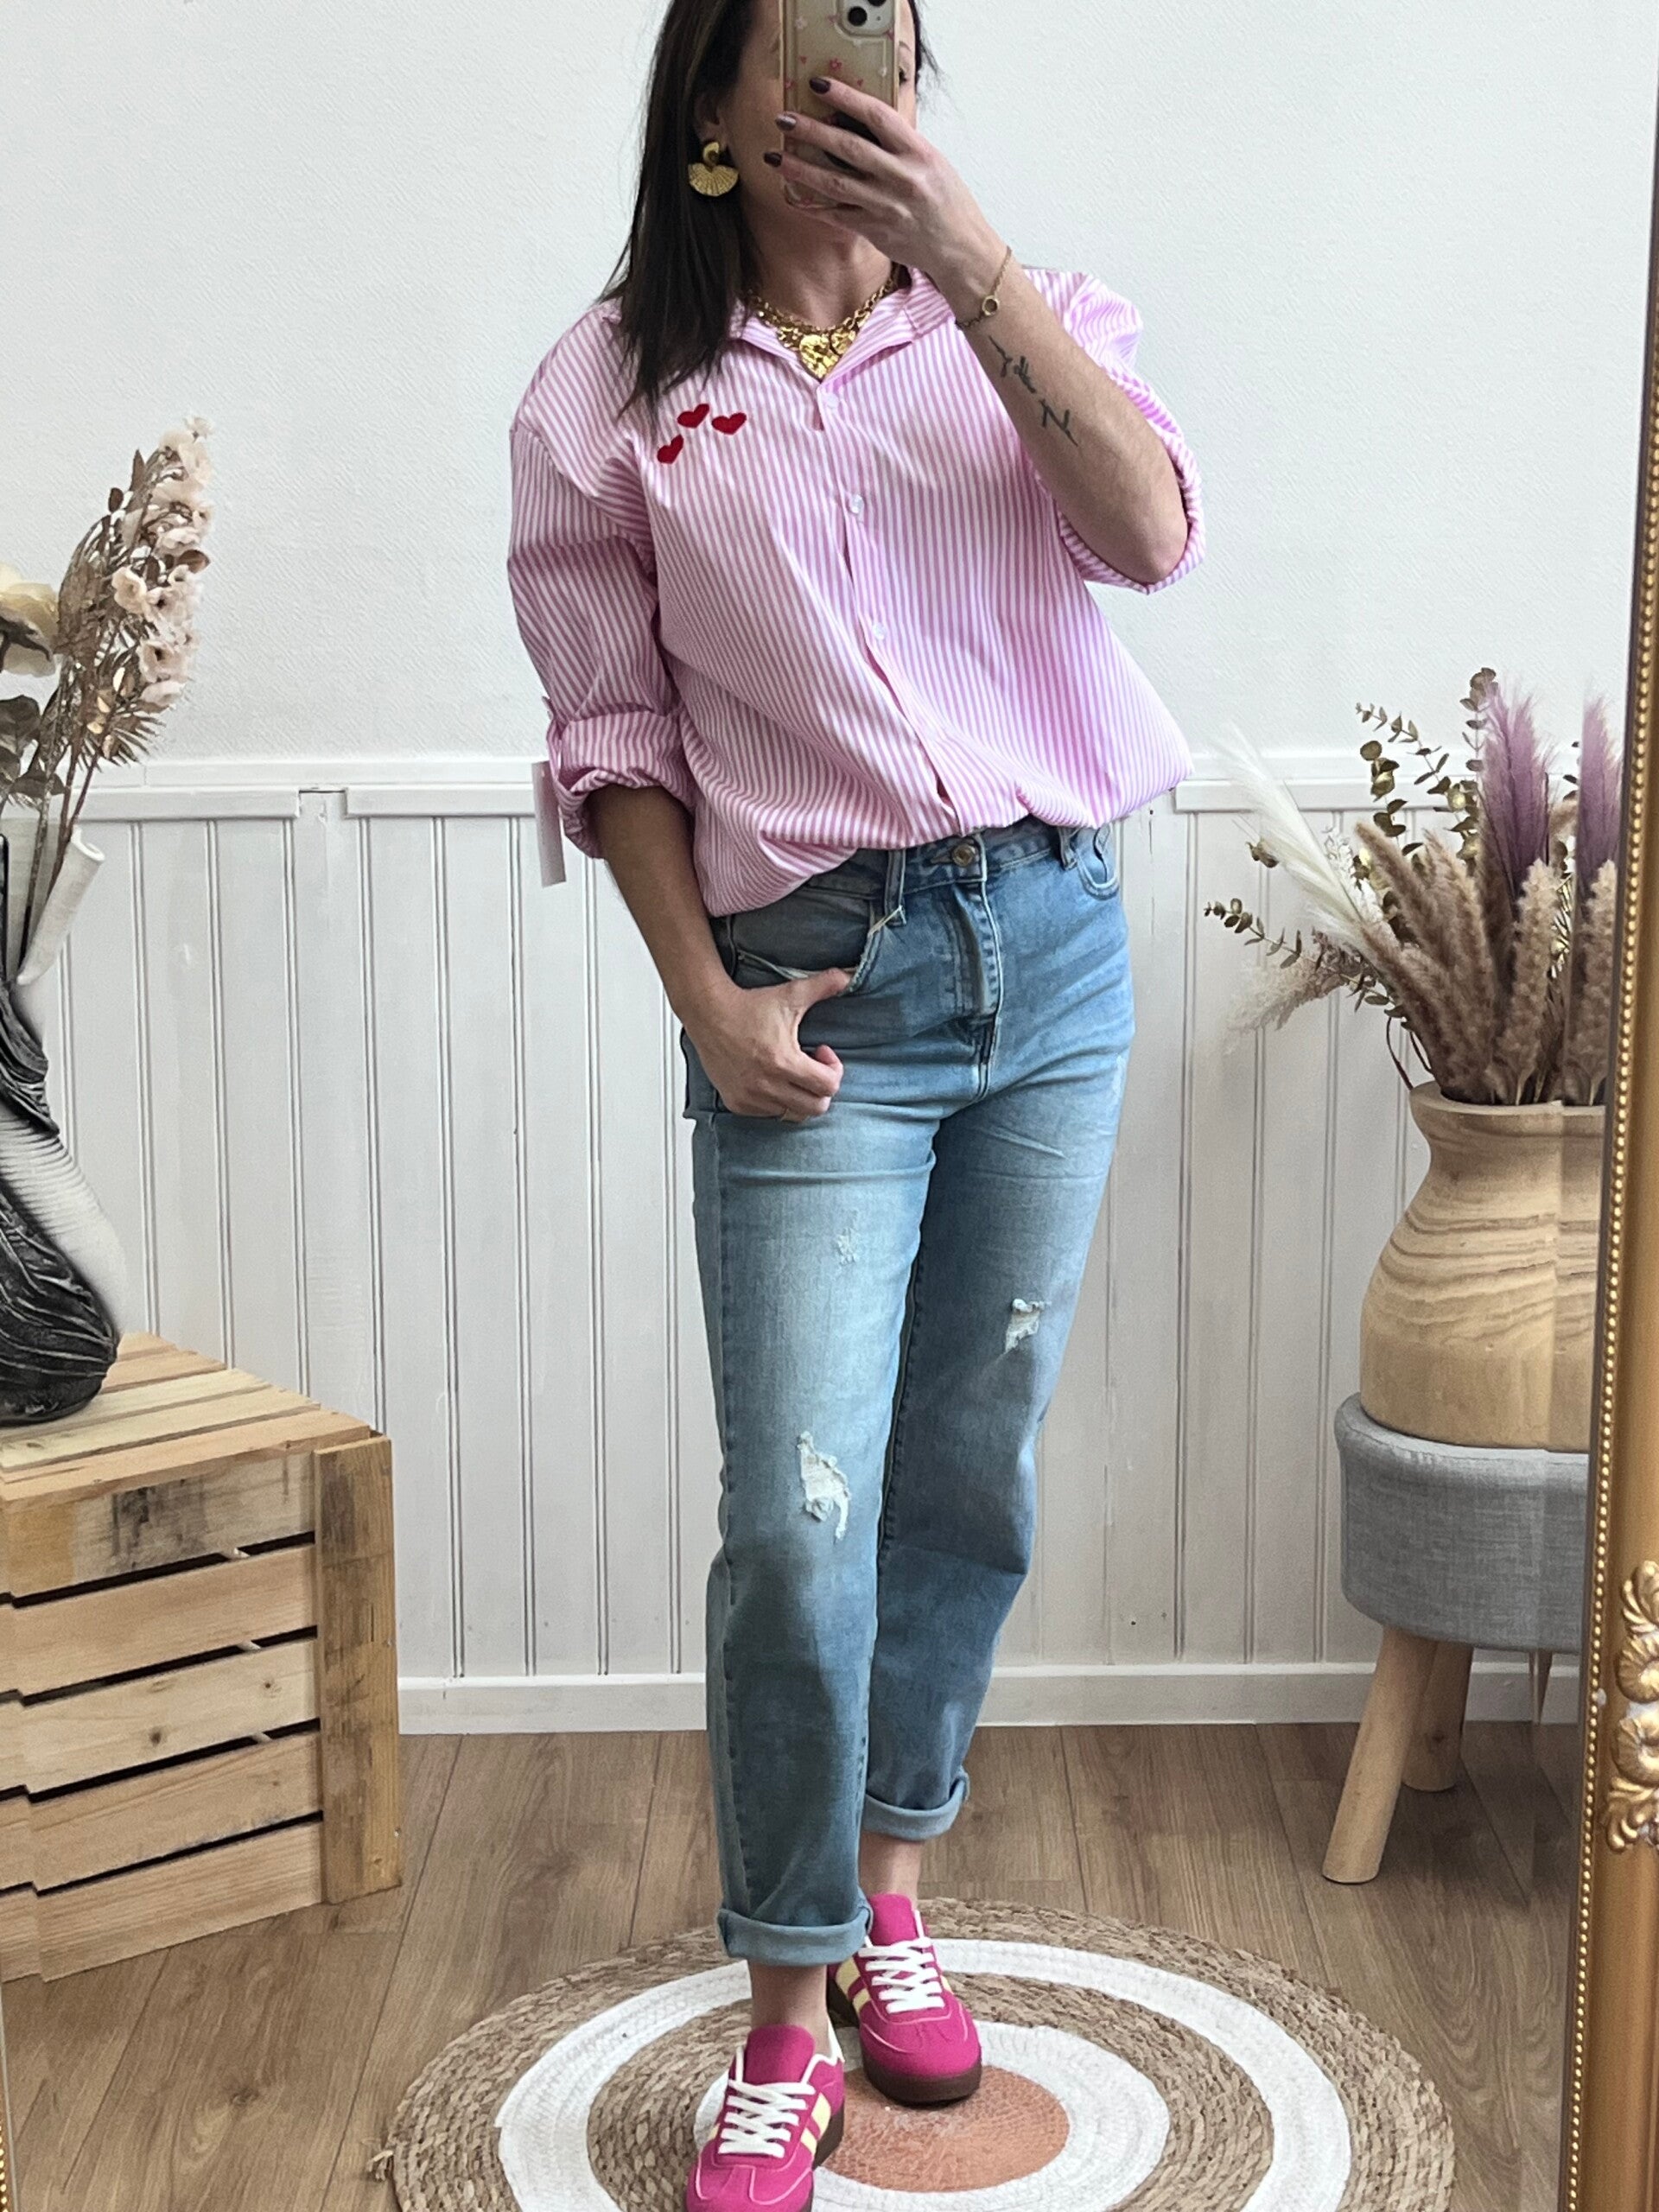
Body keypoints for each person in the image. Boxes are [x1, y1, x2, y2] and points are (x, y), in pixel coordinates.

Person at [505, 2, 1204, 2202]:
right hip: (818, 990)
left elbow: (1148, 533)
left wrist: (967, 261)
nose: (852, 84)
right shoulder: (608, 396)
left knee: (968, 1470)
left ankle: (895, 1888)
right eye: (805, 46)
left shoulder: (1027, 315)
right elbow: (613, 735)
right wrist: (703, 998)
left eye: (882, 39)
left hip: (1054, 949)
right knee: (797, 1517)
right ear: (713, 101)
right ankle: (786, 2013)